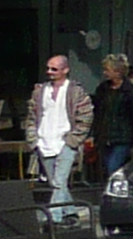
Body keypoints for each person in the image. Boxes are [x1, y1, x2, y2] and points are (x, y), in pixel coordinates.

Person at [27, 55, 90, 205]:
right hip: (44, 143)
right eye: (48, 68)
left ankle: (53, 218)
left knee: (58, 183)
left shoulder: (76, 92)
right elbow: (31, 117)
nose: (49, 72)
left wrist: (72, 141)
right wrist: (33, 140)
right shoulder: (40, 92)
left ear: (65, 70)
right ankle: (70, 213)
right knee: (55, 183)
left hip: (65, 143)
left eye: (54, 69)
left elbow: (86, 117)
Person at [90, 55, 133, 185]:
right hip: (105, 136)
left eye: (107, 70)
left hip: (123, 137)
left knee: (113, 167)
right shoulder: (102, 89)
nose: (105, 73)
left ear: (117, 72)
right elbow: (98, 113)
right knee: (107, 168)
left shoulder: (130, 91)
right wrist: (94, 134)